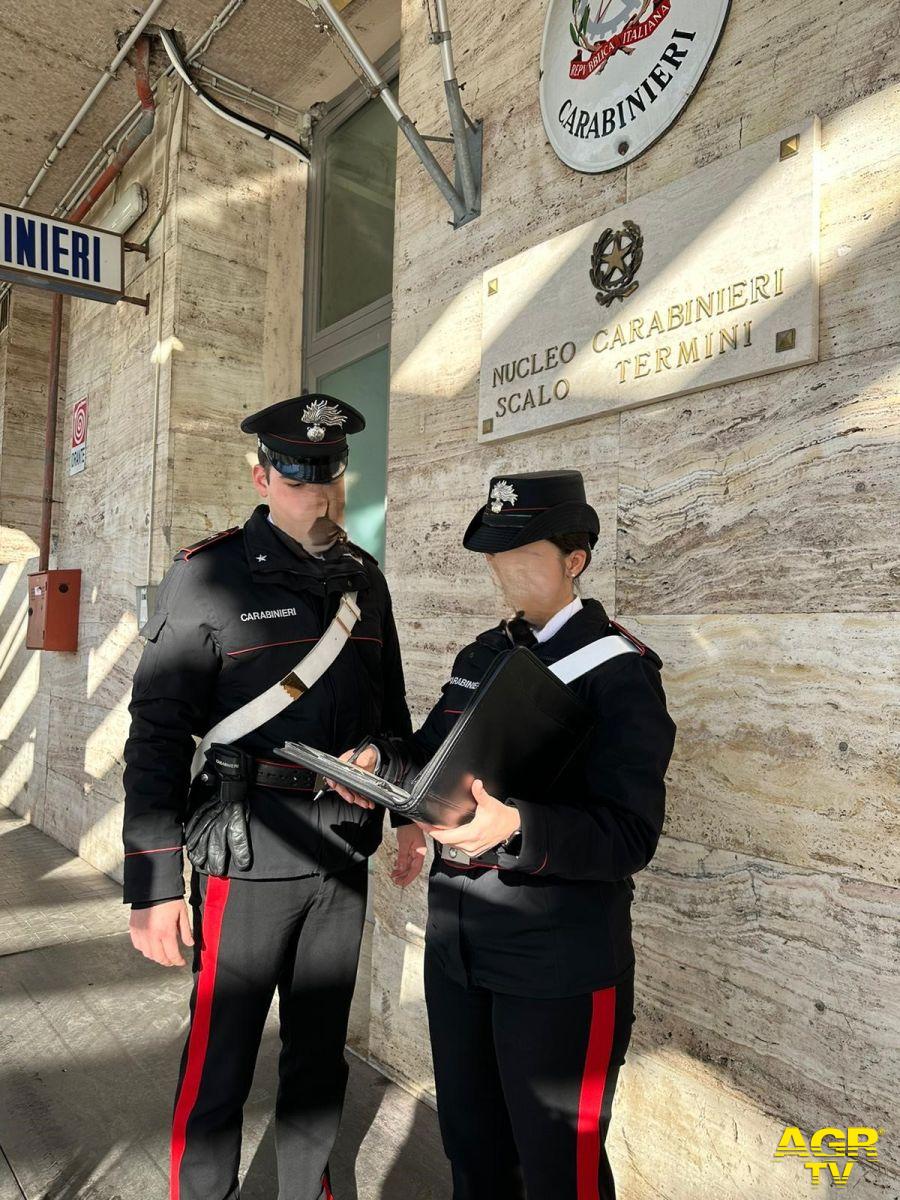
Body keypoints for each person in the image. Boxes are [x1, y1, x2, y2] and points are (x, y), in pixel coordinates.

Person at [331, 469, 677, 1200]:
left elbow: (629, 833)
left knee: (559, 1173)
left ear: (573, 559)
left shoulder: (621, 673)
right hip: (460, 949)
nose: (500, 568)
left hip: (557, 967)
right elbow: (430, 754)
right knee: (473, 1153)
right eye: (494, 553)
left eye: (521, 552)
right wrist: (379, 764)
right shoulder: (484, 652)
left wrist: (518, 826)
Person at [122, 392, 420, 1200]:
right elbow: (155, 733)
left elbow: (395, 717)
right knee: (220, 1061)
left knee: (320, 1059)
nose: (318, 493)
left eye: (329, 476)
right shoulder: (207, 574)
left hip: (341, 853)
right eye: (298, 476)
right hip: (244, 856)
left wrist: (398, 796)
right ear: (262, 475)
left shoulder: (365, 580)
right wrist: (151, 885)